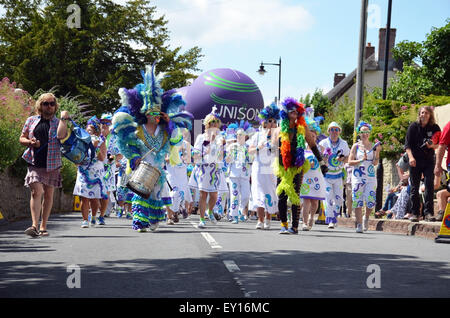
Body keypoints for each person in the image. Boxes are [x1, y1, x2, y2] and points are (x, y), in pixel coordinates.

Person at [112, 64, 192, 232]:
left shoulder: (164, 131)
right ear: (145, 113)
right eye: (151, 113)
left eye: (157, 113)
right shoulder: (138, 130)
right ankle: (140, 222)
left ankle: (154, 220)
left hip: (157, 169)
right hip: (141, 167)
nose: (155, 116)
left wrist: (169, 123)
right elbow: (128, 144)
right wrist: (134, 157)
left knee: (155, 194)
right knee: (140, 194)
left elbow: (176, 141)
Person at [273, 98, 328, 234]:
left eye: (297, 112)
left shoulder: (302, 129)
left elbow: (313, 145)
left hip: (298, 165)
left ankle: (295, 226)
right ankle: (284, 224)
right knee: (282, 195)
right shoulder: (278, 130)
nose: (295, 114)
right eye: (292, 111)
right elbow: (275, 149)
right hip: (283, 167)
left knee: (296, 195)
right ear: (286, 113)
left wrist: (321, 162)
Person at [20, 93, 68, 237]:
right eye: (45, 103)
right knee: (37, 191)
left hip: (52, 163)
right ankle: (34, 225)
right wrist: (30, 142)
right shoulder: (31, 120)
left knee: (48, 195)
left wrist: (64, 119)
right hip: (34, 161)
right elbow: (22, 137)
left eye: (51, 104)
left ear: (55, 106)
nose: (49, 106)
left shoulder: (58, 122)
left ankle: (43, 226)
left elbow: (61, 136)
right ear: (40, 105)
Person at [188, 106, 225, 228]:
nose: (214, 124)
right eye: (211, 122)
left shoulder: (220, 137)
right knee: (203, 194)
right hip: (203, 168)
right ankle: (202, 219)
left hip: (214, 170)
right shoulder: (201, 137)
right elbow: (195, 153)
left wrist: (220, 145)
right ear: (207, 124)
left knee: (214, 195)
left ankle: (210, 211)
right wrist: (206, 149)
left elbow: (221, 156)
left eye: (216, 122)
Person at [405, 106, 441, 222]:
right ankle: (415, 213)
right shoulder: (413, 127)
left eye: (426, 113)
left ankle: (429, 213)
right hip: (415, 161)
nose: (423, 115)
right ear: (419, 114)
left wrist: (432, 146)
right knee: (414, 187)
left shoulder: (435, 128)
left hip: (429, 160)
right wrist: (410, 158)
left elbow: (440, 144)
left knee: (429, 185)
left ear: (430, 115)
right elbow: (407, 146)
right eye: (422, 113)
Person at [71, 115, 107, 228]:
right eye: (87, 128)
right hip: (83, 170)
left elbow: (102, 158)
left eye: (91, 128)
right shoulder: (81, 140)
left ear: (96, 130)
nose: (88, 130)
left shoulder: (101, 141)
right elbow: (75, 155)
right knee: (84, 196)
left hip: (96, 171)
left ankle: (94, 216)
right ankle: (85, 220)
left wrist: (95, 147)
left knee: (94, 198)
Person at [248, 103, 280, 230]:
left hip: (271, 168)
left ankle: (268, 218)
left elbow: (282, 151)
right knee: (258, 192)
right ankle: (260, 220)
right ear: (264, 122)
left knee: (270, 191)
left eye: (274, 121)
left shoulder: (278, 136)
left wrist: (275, 148)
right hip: (258, 168)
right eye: (269, 121)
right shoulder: (257, 135)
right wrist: (258, 147)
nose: (272, 123)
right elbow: (249, 150)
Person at [347, 121, 381, 233]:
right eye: (362, 132)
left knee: (370, 201)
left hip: (370, 177)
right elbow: (350, 161)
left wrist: (378, 152)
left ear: (369, 133)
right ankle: (359, 224)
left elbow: (375, 163)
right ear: (359, 133)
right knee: (357, 201)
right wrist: (360, 160)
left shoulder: (373, 146)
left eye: (367, 131)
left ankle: (366, 217)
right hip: (358, 177)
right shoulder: (355, 146)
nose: (365, 134)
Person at [319, 122, 350, 229]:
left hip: (338, 175)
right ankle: (331, 219)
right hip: (326, 175)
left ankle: (335, 215)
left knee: (339, 198)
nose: (334, 132)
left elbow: (348, 158)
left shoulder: (344, 144)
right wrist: (325, 158)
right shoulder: (323, 143)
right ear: (328, 131)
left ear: (339, 132)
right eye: (332, 129)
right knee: (328, 197)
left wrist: (342, 159)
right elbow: (319, 158)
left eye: (336, 130)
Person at [299, 108, 326, 231]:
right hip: (306, 177)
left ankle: (311, 217)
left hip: (317, 177)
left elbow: (325, 163)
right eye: (310, 135)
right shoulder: (301, 148)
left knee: (315, 202)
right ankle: (304, 222)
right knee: (306, 201)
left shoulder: (320, 149)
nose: (312, 137)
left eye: (314, 135)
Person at [225, 122, 252, 224]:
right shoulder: (232, 146)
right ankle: (234, 215)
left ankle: (241, 210)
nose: (239, 136)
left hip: (245, 175)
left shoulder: (249, 147)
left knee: (246, 195)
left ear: (245, 136)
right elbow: (227, 160)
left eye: (241, 135)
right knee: (234, 195)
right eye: (238, 135)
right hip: (234, 174)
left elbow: (252, 160)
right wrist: (229, 156)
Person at [434, 120, 450, 221]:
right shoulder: (449, 126)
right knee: (441, 194)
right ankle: (443, 215)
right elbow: (442, 146)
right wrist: (438, 165)